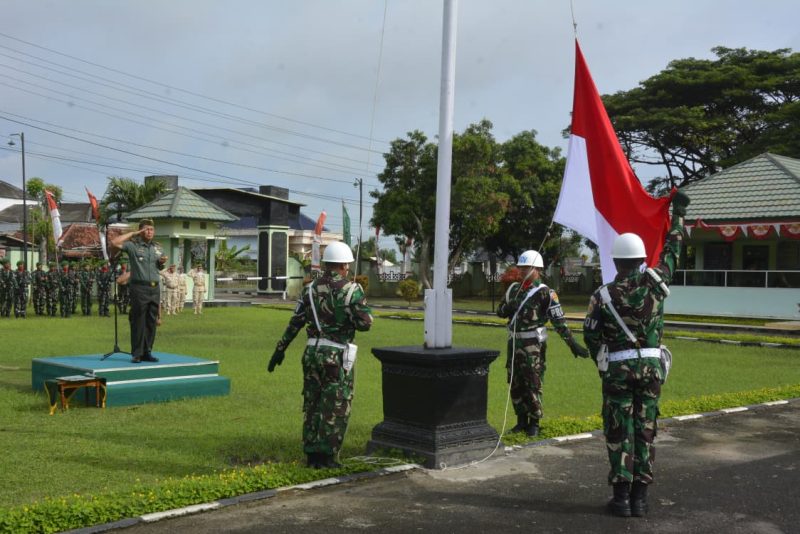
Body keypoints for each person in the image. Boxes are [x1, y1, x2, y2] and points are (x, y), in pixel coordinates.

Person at [583, 191, 690, 518]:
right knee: (645, 429)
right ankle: (640, 499)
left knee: (619, 431)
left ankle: (621, 500)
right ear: (642, 259)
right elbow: (673, 249)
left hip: (617, 371)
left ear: (615, 261)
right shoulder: (657, 283)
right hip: (651, 370)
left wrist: (603, 362)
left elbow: (590, 335)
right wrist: (679, 214)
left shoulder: (602, 295)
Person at [268, 242, 373, 469]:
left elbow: (295, 322)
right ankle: (327, 458)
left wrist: (279, 350)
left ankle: (312, 455)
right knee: (335, 405)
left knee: (312, 403)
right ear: (344, 266)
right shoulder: (352, 290)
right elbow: (365, 324)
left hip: (312, 353)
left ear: (326, 264)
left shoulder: (309, 289)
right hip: (336, 355)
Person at [497, 250, 589, 437]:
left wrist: (572, 344)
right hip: (514, 343)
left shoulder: (546, 293)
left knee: (533, 381)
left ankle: (534, 422)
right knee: (515, 382)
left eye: (527, 268)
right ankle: (521, 420)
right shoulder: (513, 289)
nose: (523, 271)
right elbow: (500, 311)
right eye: (521, 267)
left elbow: (559, 321)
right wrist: (508, 307)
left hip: (533, 345)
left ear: (537, 269)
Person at [111, 219, 167, 363]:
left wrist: (161, 263)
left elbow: (158, 267)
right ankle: (137, 353)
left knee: (151, 322)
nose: (149, 232)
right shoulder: (133, 246)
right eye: (146, 229)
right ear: (141, 231)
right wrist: (133, 233)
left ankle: (147, 352)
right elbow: (114, 243)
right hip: (139, 288)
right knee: (138, 321)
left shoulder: (158, 248)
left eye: (151, 229)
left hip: (154, 288)